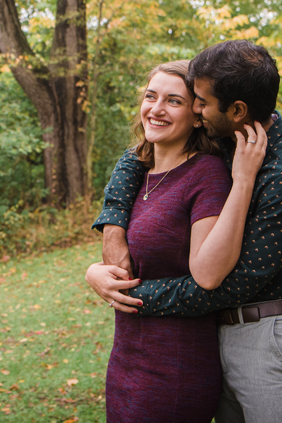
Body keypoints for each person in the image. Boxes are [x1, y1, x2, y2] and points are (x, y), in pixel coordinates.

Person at [86, 40, 282, 423]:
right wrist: (112, 223)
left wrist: (131, 293)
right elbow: (143, 154)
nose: (197, 109)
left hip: (272, 334)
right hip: (219, 334)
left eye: (198, 101)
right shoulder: (229, 139)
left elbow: (228, 282)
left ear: (237, 111)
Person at [98, 60, 267, 423]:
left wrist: (243, 179)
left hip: (173, 367)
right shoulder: (138, 174)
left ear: (196, 116)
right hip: (126, 358)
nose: (156, 109)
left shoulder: (205, 174)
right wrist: (94, 272)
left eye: (173, 101)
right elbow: (126, 262)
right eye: (150, 96)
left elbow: (208, 271)